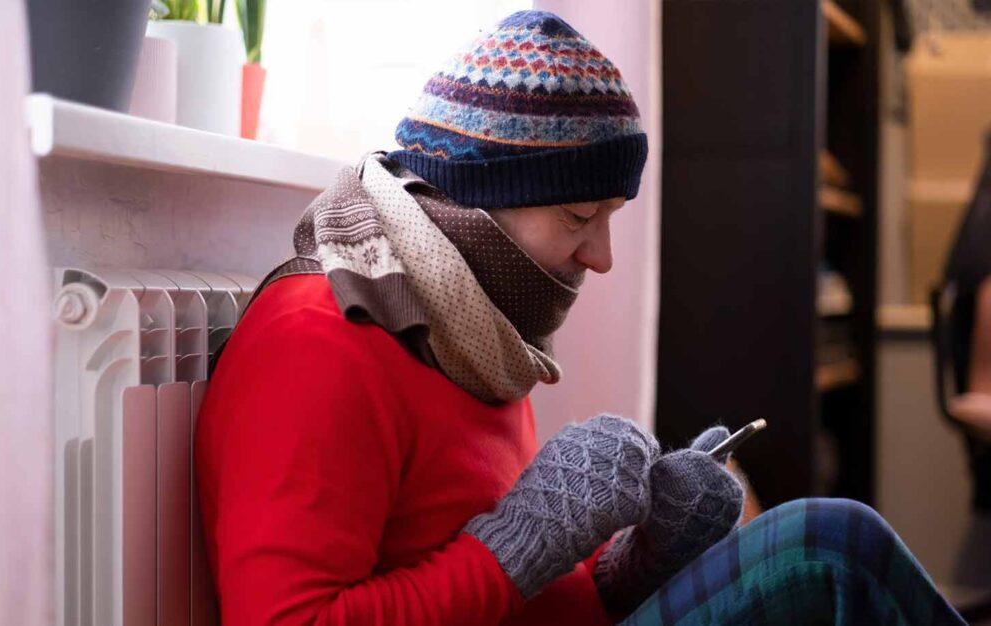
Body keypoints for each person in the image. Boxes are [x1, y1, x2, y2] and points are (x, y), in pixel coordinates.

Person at [195, 10, 965, 625]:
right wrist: (523, 541)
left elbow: (513, 593)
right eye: (576, 216)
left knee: (822, 547)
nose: (600, 258)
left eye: (610, 218)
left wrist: (637, 562)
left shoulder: (469, 326)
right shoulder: (322, 339)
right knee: (831, 545)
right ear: (471, 202)